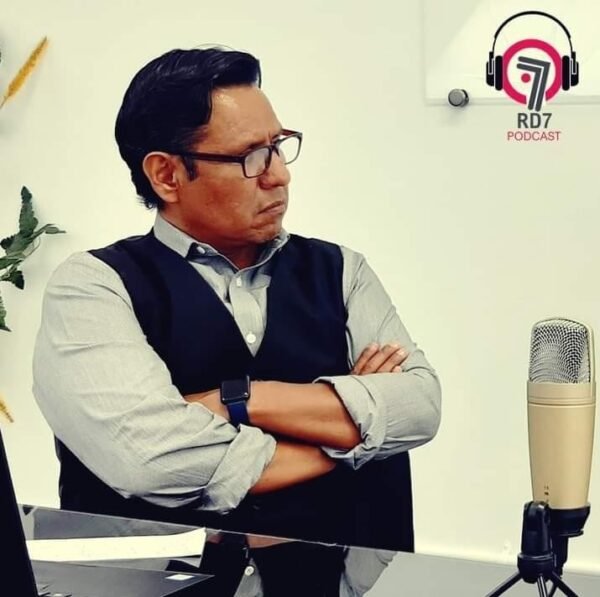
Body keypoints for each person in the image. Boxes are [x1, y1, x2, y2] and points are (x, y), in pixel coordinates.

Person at [33, 46, 441, 551]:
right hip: (159, 582)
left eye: (279, 146)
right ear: (166, 175)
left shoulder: (343, 270)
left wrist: (243, 401)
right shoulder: (93, 287)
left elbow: (419, 407)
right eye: (250, 156)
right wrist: (352, 434)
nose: (279, 174)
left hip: (342, 579)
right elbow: (152, 460)